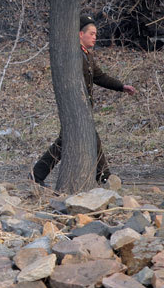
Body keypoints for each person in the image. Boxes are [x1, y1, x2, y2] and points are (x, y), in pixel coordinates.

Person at [31, 15, 136, 186]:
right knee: (85, 139)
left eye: (95, 34)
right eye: (92, 34)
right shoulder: (73, 56)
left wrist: (121, 86)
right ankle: (104, 177)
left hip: (83, 108)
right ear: (80, 34)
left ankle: (36, 175)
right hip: (75, 108)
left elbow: (99, 76)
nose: (95, 37)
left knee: (64, 143)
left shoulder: (86, 55)